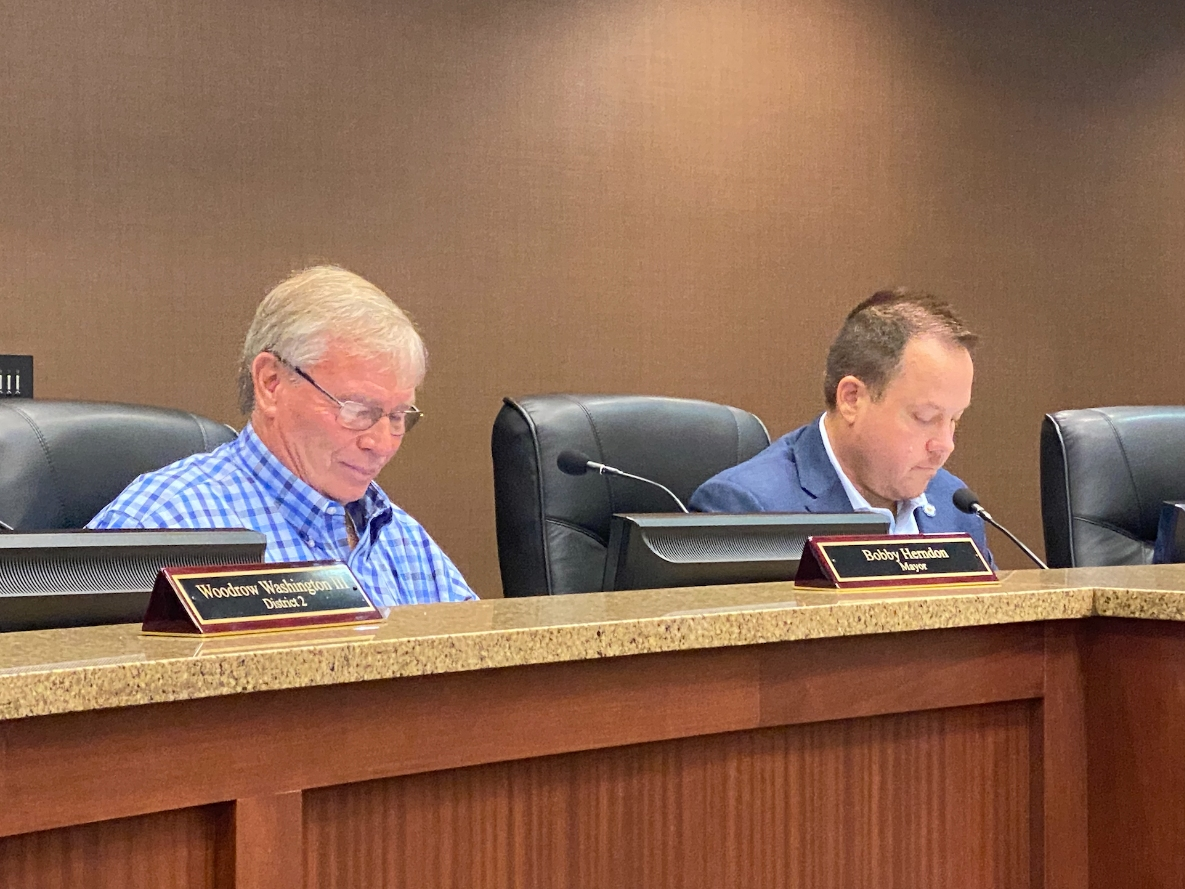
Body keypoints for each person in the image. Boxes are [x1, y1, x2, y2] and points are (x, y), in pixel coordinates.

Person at [89, 265, 476, 606]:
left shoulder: (398, 537)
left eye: (396, 417)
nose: (381, 443)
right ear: (272, 383)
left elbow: (485, 674)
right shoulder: (161, 527)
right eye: (358, 411)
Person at [689, 288, 992, 561]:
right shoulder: (748, 511)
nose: (944, 445)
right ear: (852, 399)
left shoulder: (956, 509)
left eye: (954, 420)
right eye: (925, 418)